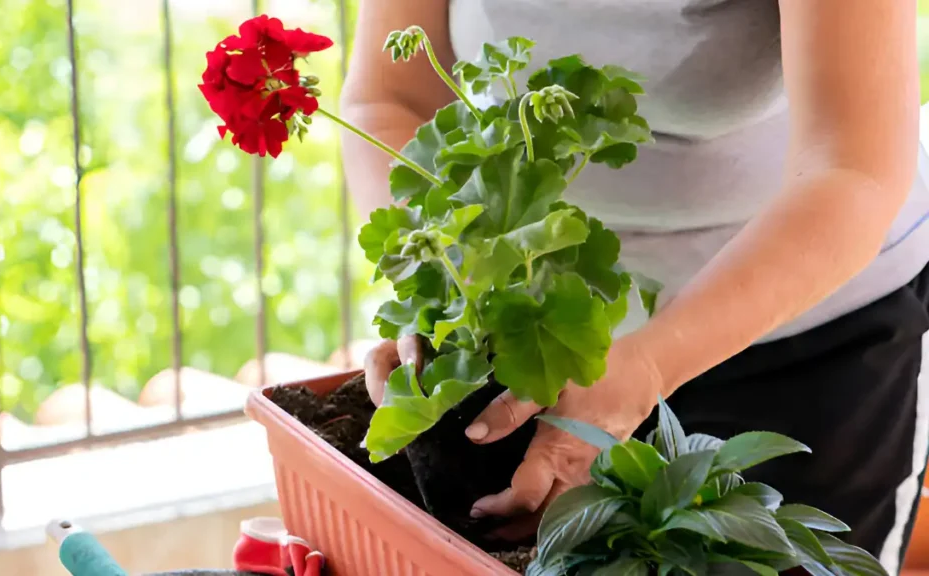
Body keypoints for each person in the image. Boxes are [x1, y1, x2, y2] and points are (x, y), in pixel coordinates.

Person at [339, 0, 929, 568]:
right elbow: (391, 97)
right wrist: (435, 278)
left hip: (811, 337)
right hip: (551, 345)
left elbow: (852, 171)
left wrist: (649, 364)